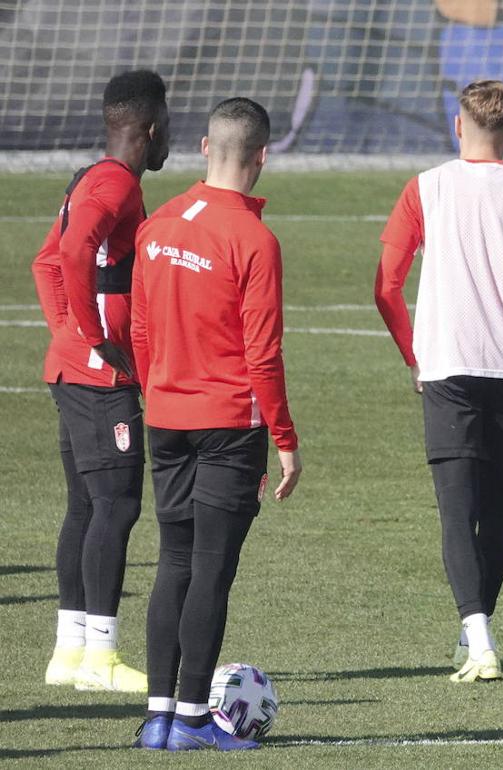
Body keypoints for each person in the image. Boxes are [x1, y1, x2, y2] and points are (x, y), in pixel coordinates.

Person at [374, 79, 503, 684]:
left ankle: (480, 638)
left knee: (453, 511)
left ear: (456, 126)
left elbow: (386, 285)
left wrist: (415, 352)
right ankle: (479, 632)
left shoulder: (426, 188)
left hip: (448, 368)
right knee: (498, 512)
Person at [129, 97, 303, 751]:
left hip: (166, 416)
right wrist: (284, 440)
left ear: (205, 148)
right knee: (210, 569)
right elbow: (263, 351)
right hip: (230, 423)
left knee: (173, 561)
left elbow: (139, 328)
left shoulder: (161, 223)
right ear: (263, 156)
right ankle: (196, 720)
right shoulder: (254, 239)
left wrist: (159, 390)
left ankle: (157, 719)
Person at [31, 69, 170, 693]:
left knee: (87, 507)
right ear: (151, 128)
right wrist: (92, 338)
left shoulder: (94, 177)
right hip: (96, 377)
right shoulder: (112, 183)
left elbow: (45, 260)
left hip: (75, 369)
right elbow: (68, 254)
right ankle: (102, 659)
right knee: (117, 506)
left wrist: (67, 329)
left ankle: (70, 653)